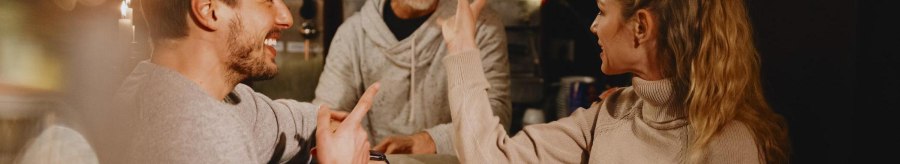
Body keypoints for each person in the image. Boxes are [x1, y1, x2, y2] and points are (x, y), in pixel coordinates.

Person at [439, 0, 791, 163]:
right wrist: (463, 49)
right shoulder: (608, 115)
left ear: (640, 26)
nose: (594, 25)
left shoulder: (730, 144)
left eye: (602, 11)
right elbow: (492, 157)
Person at [97, 0, 376, 163]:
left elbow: (297, 121)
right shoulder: (199, 137)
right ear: (209, 9)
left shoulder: (212, 96)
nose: (286, 17)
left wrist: (334, 128)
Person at [313, 0, 511, 155]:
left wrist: (431, 141)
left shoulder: (478, 24)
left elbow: (496, 118)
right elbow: (326, 114)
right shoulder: (353, 34)